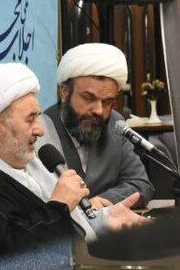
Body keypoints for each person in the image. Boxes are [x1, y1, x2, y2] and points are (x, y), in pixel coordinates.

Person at [0, 62, 150, 261]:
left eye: (38, 117)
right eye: (30, 119)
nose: (40, 130)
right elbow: (14, 254)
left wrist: (104, 220)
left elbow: (55, 225)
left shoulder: (29, 163)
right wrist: (60, 205)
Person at [36, 43, 153, 208]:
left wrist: (104, 201)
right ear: (64, 92)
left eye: (107, 102)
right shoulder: (39, 131)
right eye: (88, 98)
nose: (98, 110)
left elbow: (141, 185)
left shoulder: (115, 125)